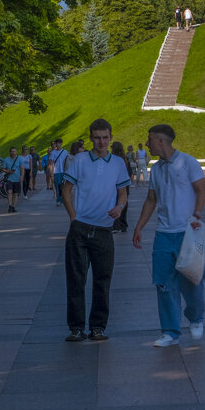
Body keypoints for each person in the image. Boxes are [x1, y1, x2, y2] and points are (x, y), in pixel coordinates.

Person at [133, 124, 205, 348]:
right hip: (164, 234)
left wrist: (197, 214)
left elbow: (201, 190)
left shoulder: (188, 163)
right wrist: (139, 226)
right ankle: (170, 332)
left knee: (193, 280)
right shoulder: (155, 169)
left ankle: (196, 318)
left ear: (160, 141)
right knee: (164, 284)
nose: (147, 144)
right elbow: (151, 200)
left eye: (150, 140)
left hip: (187, 232)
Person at [61, 119, 130, 342]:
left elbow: (123, 193)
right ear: (91, 138)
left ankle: (98, 327)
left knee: (102, 280)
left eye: (105, 138)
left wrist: (119, 208)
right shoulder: (80, 160)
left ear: (111, 138)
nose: (101, 142)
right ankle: (76, 327)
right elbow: (66, 189)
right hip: (80, 228)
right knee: (76, 280)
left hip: (104, 229)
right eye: (97, 138)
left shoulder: (117, 163)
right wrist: (73, 217)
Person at [110, 141, 132, 233]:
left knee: (116, 204)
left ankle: (116, 225)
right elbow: (130, 173)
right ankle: (123, 225)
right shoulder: (125, 160)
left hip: (116, 186)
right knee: (124, 205)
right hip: (125, 185)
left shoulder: (113, 160)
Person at [49, 138, 68, 205]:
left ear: (61, 144)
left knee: (63, 186)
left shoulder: (65, 152)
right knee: (58, 186)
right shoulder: (53, 152)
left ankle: (63, 199)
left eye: (59, 143)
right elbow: (51, 163)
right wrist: (51, 171)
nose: (58, 144)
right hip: (56, 171)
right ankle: (59, 200)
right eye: (57, 143)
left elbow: (67, 161)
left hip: (64, 171)